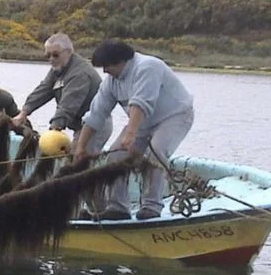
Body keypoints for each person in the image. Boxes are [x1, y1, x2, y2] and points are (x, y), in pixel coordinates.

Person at [76, 40, 194, 221]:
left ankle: (151, 206)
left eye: (107, 66)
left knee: (156, 152)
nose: (105, 71)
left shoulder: (148, 67)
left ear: (121, 62)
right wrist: (81, 148)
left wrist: (131, 134)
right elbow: (96, 114)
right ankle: (118, 207)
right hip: (142, 122)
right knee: (115, 156)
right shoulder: (111, 82)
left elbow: (140, 103)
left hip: (175, 116)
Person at [11, 33, 113, 215]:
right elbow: (43, 90)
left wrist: (55, 127)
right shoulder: (59, 69)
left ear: (69, 52)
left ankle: (102, 212)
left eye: (55, 55)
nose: (51, 59)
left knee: (80, 166)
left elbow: (69, 104)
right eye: (48, 55)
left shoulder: (79, 73)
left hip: (96, 125)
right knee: (75, 167)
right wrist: (23, 112)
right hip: (79, 127)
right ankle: (91, 210)